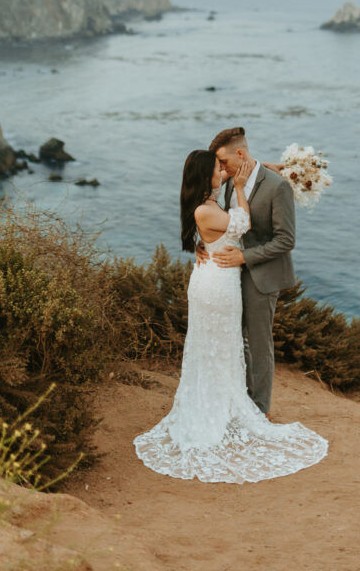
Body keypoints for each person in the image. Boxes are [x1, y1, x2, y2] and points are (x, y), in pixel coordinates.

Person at [133, 147, 327, 483]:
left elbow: (239, 174)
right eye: (216, 169)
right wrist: (239, 189)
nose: (222, 172)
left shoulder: (208, 200)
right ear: (205, 176)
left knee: (223, 345)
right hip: (217, 287)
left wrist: (261, 168)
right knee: (217, 346)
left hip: (220, 281)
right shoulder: (205, 211)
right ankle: (217, 408)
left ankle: (226, 403)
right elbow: (243, 221)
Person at [201, 126, 295, 416]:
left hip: (261, 275)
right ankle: (239, 400)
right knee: (233, 338)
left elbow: (286, 240)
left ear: (239, 154)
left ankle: (259, 410)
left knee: (258, 343)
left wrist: (245, 257)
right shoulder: (229, 180)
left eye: (224, 162)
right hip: (228, 276)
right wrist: (200, 245)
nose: (221, 168)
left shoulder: (277, 186)